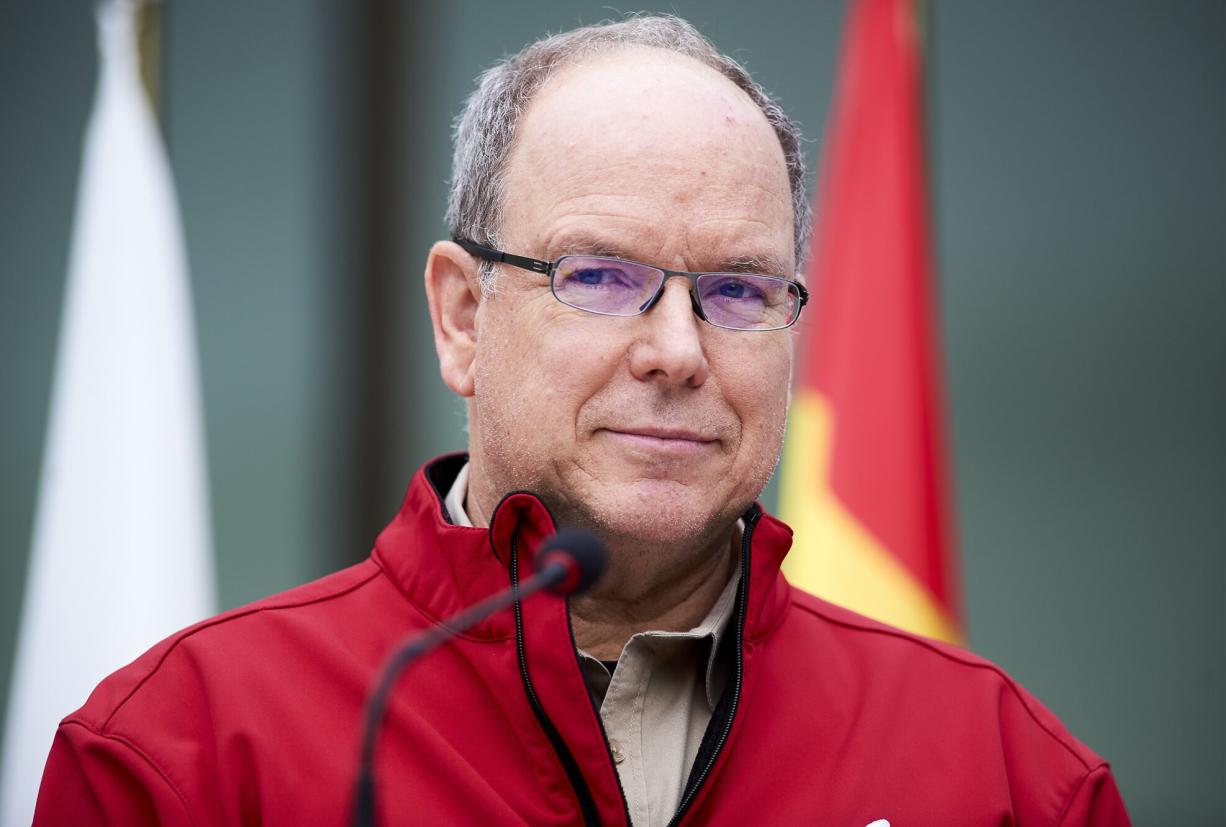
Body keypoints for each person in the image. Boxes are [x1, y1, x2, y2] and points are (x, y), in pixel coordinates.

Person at [35, 15, 1129, 826]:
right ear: (464, 317)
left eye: (740, 291)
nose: (678, 350)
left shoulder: (1002, 775)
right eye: (602, 275)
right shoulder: (187, 754)